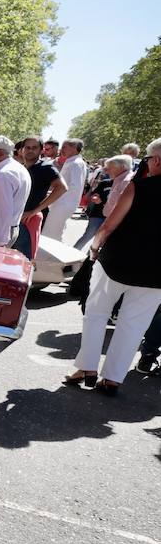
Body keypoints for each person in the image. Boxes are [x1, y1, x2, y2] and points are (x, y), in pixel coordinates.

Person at [66, 139, 161, 395]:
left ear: (158, 161)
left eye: (150, 159)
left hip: (117, 261)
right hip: (156, 274)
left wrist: (95, 247)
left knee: (96, 313)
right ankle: (113, 379)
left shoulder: (139, 186)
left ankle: (86, 367)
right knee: (134, 325)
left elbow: (109, 225)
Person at [13, 135, 66, 256]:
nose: (30, 150)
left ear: (41, 150)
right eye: (27, 147)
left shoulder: (45, 167)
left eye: (34, 147)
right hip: (15, 219)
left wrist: (35, 210)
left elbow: (62, 187)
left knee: (22, 259)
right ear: (22, 150)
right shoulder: (21, 168)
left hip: (27, 220)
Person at [75, 155, 132, 251]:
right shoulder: (113, 181)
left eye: (109, 168)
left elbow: (120, 206)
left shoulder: (127, 182)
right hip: (99, 215)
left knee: (100, 244)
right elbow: (94, 194)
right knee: (90, 238)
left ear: (121, 167)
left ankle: (89, 260)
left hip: (111, 220)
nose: (106, 171)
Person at [43, 137, 87, 241]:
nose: (61, 149)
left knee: (50, 234)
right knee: (55, 231)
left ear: (74, 148)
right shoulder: (73, 162)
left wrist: (54, 194)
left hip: (63, 203)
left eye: (64, 147)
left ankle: (49, 256)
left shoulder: (76, 163)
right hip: (62, 203)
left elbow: (74, 186)